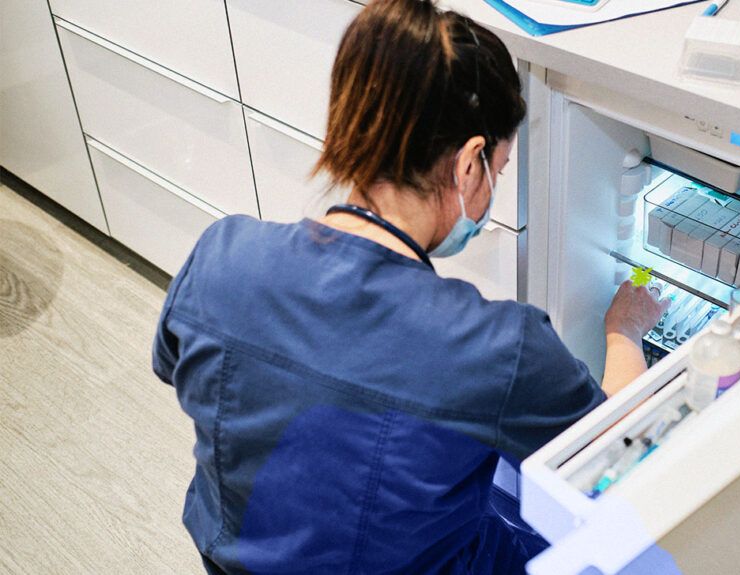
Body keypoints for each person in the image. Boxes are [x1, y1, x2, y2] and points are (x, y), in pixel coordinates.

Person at [152, 0, 666, 572]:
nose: (493, 182)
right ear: (470, 163)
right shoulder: (500, 348)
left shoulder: (222, 253)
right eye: (498, 167)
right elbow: (617, 456)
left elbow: (181, 367)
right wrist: (625, 331)